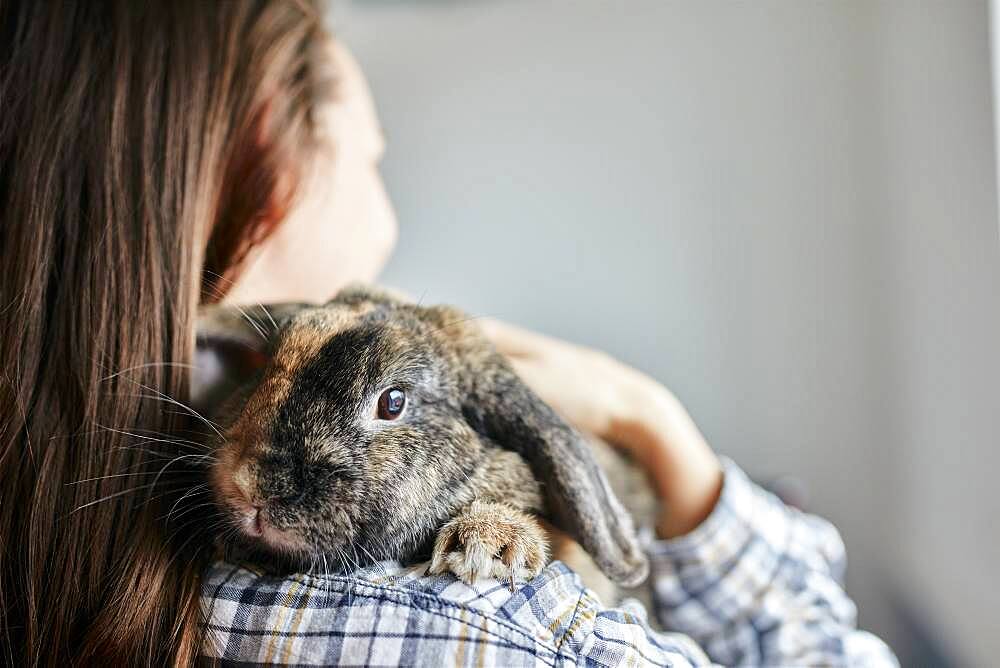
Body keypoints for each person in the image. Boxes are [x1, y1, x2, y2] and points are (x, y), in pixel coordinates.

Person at [0, 2, 897, 665]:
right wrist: (652, 421)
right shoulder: (496, 627)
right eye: (373, 152)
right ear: (275, 153)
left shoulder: (87, 511)